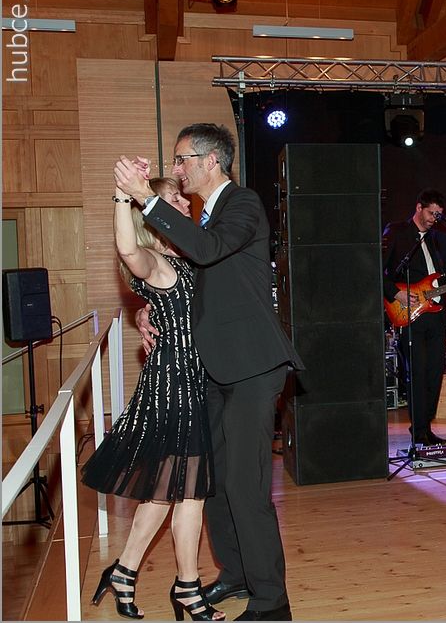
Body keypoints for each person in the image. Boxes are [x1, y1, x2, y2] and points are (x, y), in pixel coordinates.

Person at [115, 123, 304, 621]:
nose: (176, 169)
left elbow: (206, 251)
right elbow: (195, 281)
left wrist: (145, 199)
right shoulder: (207, 216)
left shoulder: (242, 203)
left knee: (246, 487)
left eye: (182, 160)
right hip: (216, 369)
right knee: (213, 483)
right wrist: (147, 310)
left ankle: (271, 601)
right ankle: (237, 573)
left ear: (211, 161)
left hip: (252, 367)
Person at [83, 175, 225, 621]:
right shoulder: (157, 263)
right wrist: (122, 195)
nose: (184, 203)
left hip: (185, 382)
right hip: (174, 387)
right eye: (173, 199)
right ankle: (188, 588)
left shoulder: (183, 256)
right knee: (190, 495)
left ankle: (124, 572)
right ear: (151, 215)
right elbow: (128, 252)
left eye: (181, 197)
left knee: (166, 492)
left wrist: (145, 312)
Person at [382, 189, 446, 446]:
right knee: (417, 371)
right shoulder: (397, 232)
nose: (433, 219)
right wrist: (396, 294)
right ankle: (419, 429)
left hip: (435, 314)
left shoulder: (440, 240)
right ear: (418, 207)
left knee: (435, 371)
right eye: (430, 213)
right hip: (409, 312)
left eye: (438, 215)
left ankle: (426, 425)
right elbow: (377, 268)